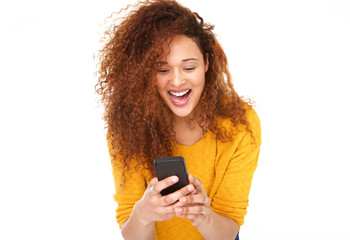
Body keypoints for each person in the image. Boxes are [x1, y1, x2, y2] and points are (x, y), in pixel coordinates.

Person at [96, 0, 261, 239]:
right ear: (145, 72)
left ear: (206, 62)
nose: (176, 81)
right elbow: (131, 231)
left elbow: (229, 229)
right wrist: (143, 213)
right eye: (163, 70)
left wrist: (205, 217)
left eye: (188, 67)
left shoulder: (240, 124)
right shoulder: (127, 125)